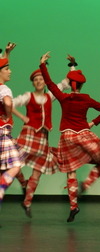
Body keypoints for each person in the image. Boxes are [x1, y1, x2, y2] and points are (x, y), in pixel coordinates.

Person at [39, 51, 100, 223]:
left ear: (71, 85)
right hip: (84, 135)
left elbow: (49, 84)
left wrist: (42, 65)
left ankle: (73, 206)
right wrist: (92, 124)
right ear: (81, 85)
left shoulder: (64, 98)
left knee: (71, 172)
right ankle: (85, 185)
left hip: (67, 137)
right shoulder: (86, 99)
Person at [12, 55, 76, 218]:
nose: (39, 81)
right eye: (36, 79)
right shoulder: (28, 96)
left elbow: (66, 83)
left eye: (41, 78)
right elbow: (10, 103)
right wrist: (22, 117)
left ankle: (27, 202)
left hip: (43, 137)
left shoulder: (50, 96)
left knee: (38, 171)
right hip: (28, 134)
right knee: (14, 164)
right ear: (33, 83)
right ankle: (23, 183)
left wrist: (72, 65)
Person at [0, 43, 26, 214]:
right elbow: (8, 102)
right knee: (16, 165)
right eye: (8, 69)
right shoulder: (4, 88)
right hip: (2, 133)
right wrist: (7, 114)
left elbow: (1, 65)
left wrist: (7, 53)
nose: (10, 71)